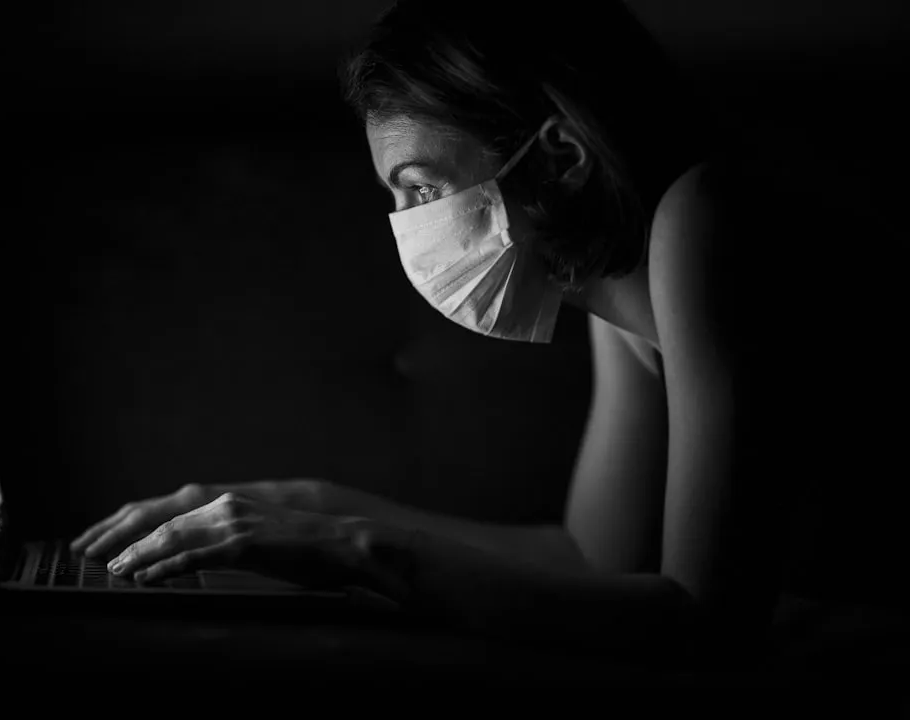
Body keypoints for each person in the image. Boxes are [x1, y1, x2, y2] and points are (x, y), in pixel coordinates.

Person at [71, 0, 900, 668]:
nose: (407, 229)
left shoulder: (701, 219)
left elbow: (702, 623)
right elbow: (594, 558)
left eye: (422, 188)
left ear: (561, 157)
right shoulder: (622, 284)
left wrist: (358, 551)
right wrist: (306, 508)